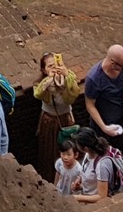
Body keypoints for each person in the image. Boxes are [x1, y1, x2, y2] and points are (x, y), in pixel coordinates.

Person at [34, 52, 83, 181]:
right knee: (49, 150)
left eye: (56, 65)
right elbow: (38, 94)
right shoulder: (41, 83)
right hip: (49, 121)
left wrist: (66, 76)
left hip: (65, 120)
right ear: (44, 70)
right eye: (50, 66)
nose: (54, 68)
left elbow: (73, 95)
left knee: (68, 147)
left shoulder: (69, 77)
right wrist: (49, 80)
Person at [84, 45, 123, 143]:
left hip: (122, 118)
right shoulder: (94, 79)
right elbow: (90, 105)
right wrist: (104, 127)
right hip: (104, 124)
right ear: (113, 63)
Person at [74, 127, 123, 203]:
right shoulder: (89, 153)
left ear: (85, 148)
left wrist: (77, 198)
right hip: (88, 192)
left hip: (96, 203)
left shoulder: (101, 166)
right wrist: (80, 179)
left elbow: (102, 196)